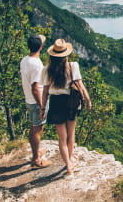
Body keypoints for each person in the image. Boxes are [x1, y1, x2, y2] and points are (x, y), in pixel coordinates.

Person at [39, 38, 91, 174]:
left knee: (62, 138)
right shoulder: (73, 66)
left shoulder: (47, 70)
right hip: (71, 102)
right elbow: (80, 85)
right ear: (66, 54)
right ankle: (71, 159)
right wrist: (87, 100)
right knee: (71, 134)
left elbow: (45, 92)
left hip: (56, 103)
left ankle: (68, 165)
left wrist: (43, 108)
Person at [20, 35, 52, 168]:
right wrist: (42, 106)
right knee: (37, 130)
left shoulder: (25, 60)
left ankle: (35, 152)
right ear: (41, 47)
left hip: (29, 99)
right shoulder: (37, 65)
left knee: (33, 127)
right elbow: (35, 88)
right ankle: (36, 159)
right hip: (36, 101)